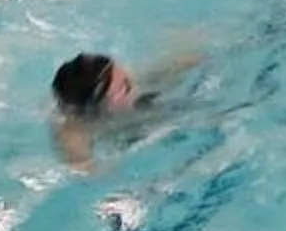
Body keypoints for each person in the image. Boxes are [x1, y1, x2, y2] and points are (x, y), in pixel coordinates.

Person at [49, 48, 196, 170]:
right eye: (125, 88)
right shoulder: (74, 133)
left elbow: (188, 56)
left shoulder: (138, 85)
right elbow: (90, 174)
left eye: (127, 77)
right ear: (99, 107)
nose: (135, 86)